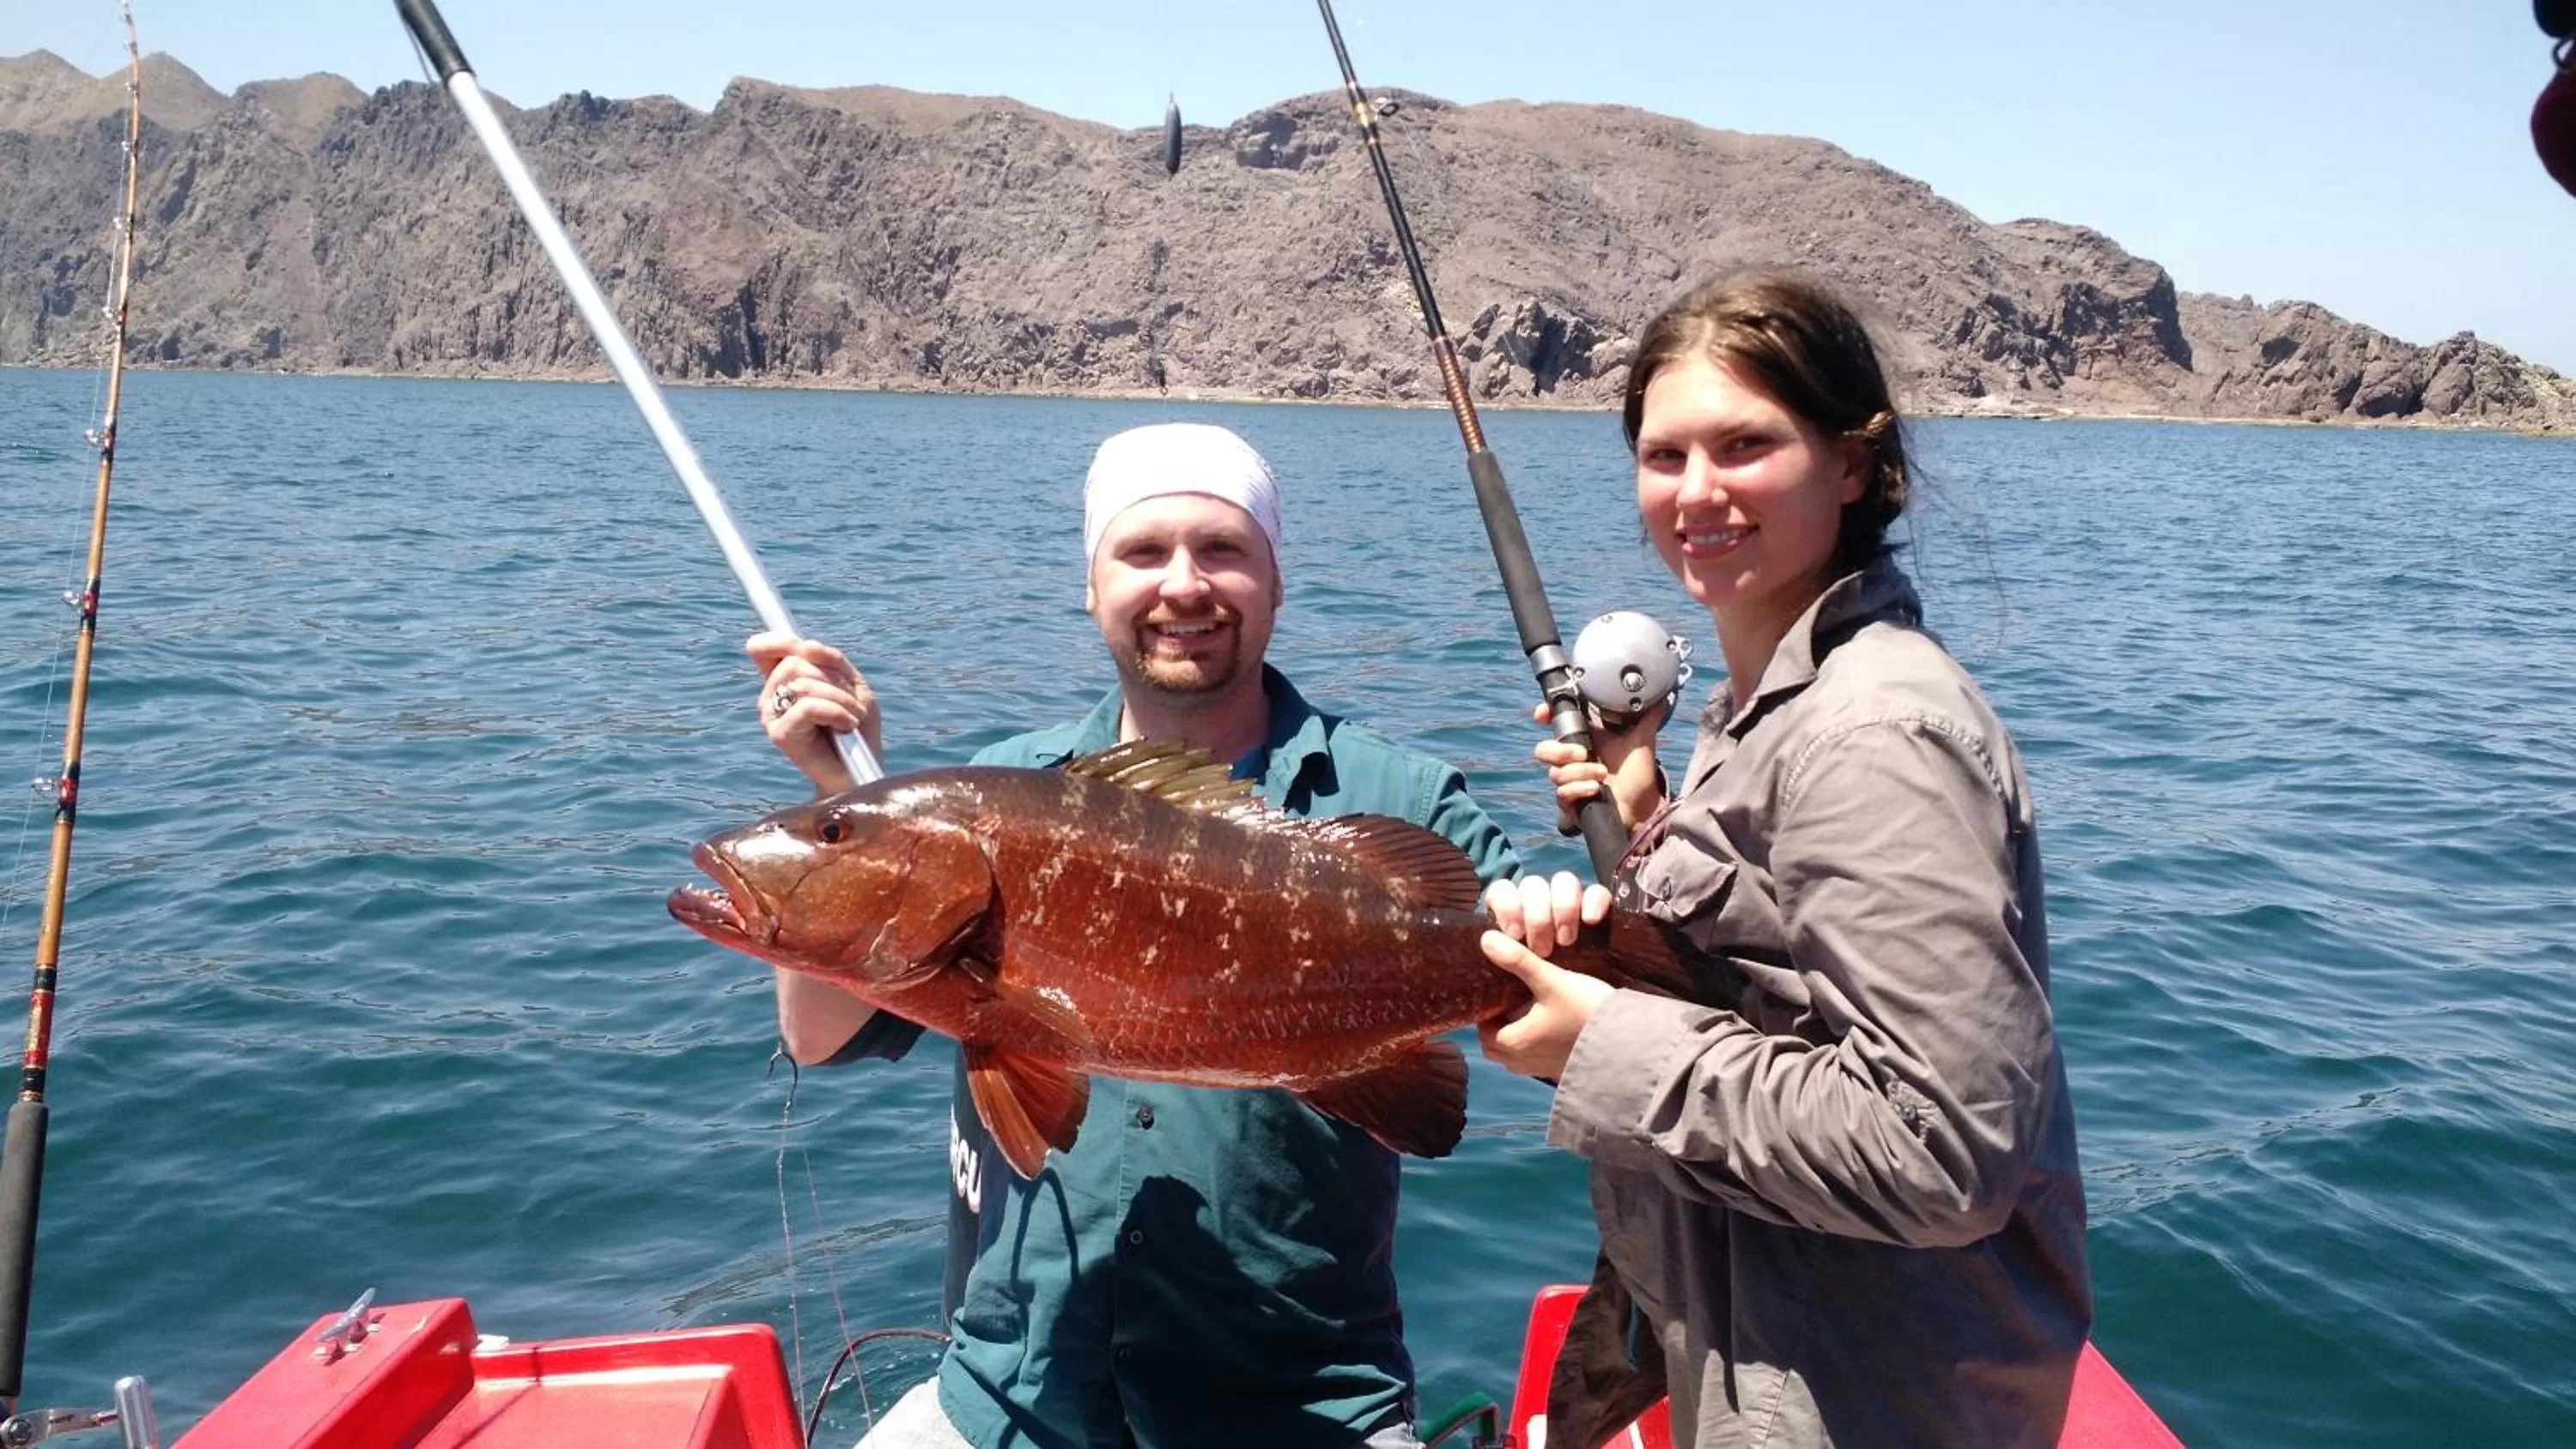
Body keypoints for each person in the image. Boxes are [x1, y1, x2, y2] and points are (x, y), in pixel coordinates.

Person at [749, 421, 1522, 1449]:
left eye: (1224, 549)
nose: (1184, 585)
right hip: (1017, 1398)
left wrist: (1606, 870)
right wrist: (842, 795)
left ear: (1277, 581)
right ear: (1092, 584)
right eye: (1143, 551)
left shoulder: (1403, 796)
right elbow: (821, 1036)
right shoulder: (998, 790)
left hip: (1305, 1412)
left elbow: (1567, 973)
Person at [1474, 273, 2092, 1447]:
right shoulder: (1765, 710)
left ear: (1852, 465)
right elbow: (1781, 980)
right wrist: (1649, 819)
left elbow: (1943, 1149)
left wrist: (1598, 1046)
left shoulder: (1876, 733)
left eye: (1746, 446)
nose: (1697, 492)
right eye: (1664, 457)